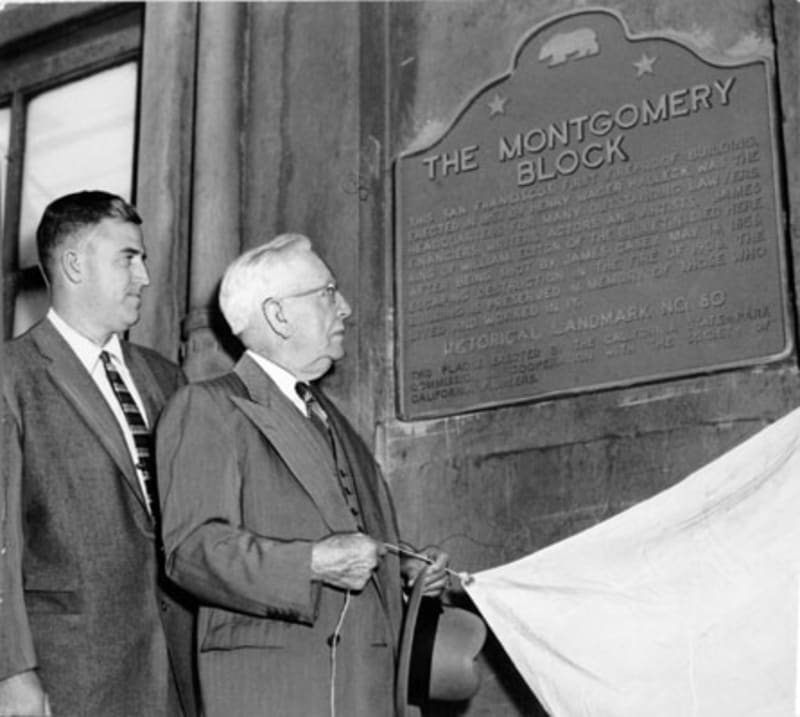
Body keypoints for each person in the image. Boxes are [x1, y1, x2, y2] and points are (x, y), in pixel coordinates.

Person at [155, 233, 449, 716]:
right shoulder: (207, 408)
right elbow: (192, 552)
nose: (347, 308)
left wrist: (406, 572)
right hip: (281, 692)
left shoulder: (337, 422)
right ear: (278, 315)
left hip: (370, 692)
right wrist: (310, 563)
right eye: (327, 293)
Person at [0, 191, 198, 717]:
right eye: (128, 258)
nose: (145, 277)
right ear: (73, 264)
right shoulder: (10, 375)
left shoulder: (165, 378)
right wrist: (13, 673)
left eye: (144, 259)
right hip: (72, 676)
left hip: (174, 672)